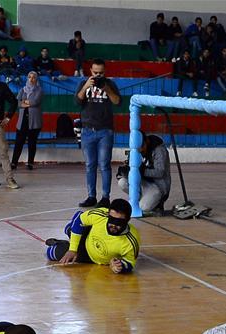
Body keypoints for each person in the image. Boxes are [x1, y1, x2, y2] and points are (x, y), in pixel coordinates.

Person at [45, 199, 140, 274]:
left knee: (51, 252)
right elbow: (79, 220)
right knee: (74, 224)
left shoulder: (131, 240)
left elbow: (130, 263)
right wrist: (72, 249)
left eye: (119, 222)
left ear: (128, 220)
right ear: (108, 214)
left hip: (88, 257)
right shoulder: (100, 214)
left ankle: (62, 243)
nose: (113, 225)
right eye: (111, 219)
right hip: (86, 237)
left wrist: (120, 267)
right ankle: (70, 233)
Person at [75, 59, 121, 208]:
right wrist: (86, 86)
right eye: (95, 73)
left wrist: (106, 88)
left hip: (105, 131)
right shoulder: (83, 84)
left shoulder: (110, 84)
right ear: (91, 71)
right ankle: (91, 196)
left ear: (105, 72)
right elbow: (77, 101)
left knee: (104, 165)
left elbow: (117, 102)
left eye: (101, 73)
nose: (98, 75)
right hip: (87, 130)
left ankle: (105, 197)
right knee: (89, 165)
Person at [118, 132, 171, 215]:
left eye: (142, 147)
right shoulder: (136, 150)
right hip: (144, 183)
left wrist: (141, 171)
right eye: (138, 148)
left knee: (142, 208)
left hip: (157, 187)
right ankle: (145, 199)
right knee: (122, 182)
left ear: (147, 141)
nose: (141, 150)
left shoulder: (159, 150)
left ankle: (156, 203)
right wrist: (125, 171)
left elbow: (160, 172)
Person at [12, 71, 42, 171]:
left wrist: (24, 102)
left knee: (32, 143)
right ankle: (14, 163)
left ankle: (30, 163)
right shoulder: (23, 90)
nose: (31, 79)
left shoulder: (39, 90)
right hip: (22, 120)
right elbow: (17, 102)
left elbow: (35, 101)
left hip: (34, 121)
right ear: (27, 78)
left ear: (36, 79)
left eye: (33, 77)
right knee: (19, 142)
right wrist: (24, 103)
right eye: (29, 77)